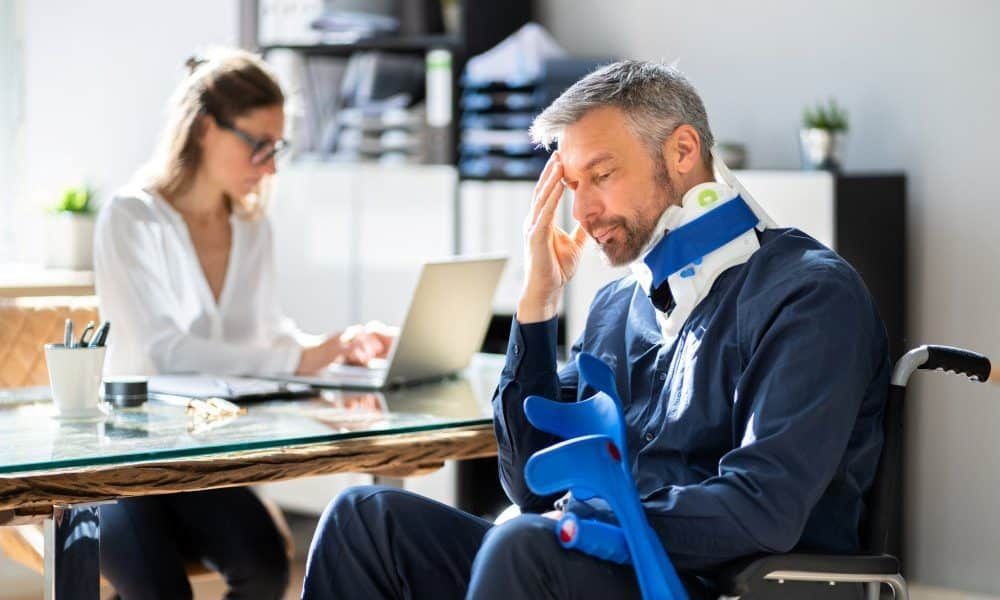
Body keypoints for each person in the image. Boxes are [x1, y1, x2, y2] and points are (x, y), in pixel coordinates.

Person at [300, 61, 889, 600]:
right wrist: (538, 305)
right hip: (603, 566)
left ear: (683, 150)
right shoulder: (618, 307)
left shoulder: (809, 296)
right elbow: (531, 487)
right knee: (366, 518)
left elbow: (763, 509)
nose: (580, 212)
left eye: (601, 175)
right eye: (572, 184)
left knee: (523, 545)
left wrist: (583, 523)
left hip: (721, 582)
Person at [93, 48, 392, 599]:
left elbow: (265, 336)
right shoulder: (132, 218)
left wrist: (333, 346)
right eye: (259, 145)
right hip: (120, 466)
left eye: (277, 147)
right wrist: (301, 357)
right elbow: (166, 353)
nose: (271, 165)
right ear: (206, 128)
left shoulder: (252, 226)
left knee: (268, 567)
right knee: (161, 589)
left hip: (201, 464)